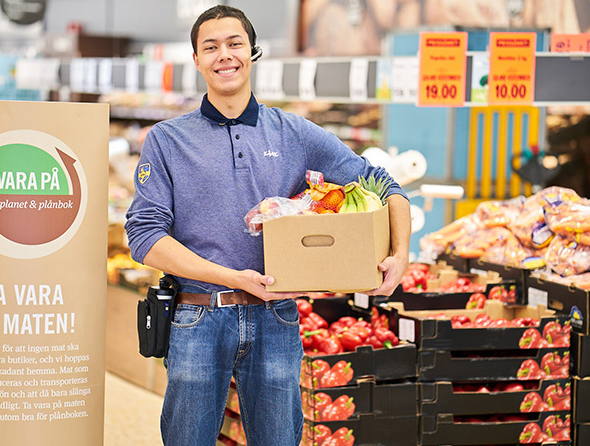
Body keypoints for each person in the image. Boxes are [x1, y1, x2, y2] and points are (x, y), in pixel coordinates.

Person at [124, 5, 411, 446]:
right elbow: (144, 237)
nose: (225, 55)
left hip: (276, 316)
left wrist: (400, 255)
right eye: (211, 46)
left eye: (235, 43)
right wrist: (230, 277)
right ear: (197, 60)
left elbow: (386, 185)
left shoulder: (293, 133)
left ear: (253, 52)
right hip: (197, 315)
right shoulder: (167, 139)